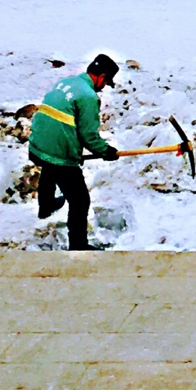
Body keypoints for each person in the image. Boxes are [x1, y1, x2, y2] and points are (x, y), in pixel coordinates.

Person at [28, 53, 122, 250]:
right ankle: (78, 245)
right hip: (58, 154)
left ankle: (46, 206)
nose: (104, 87)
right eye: (106, 82)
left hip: (37, 145)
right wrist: (106, 151)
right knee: (80, 200)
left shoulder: (67, 82)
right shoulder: (88, 96)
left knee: (48, 165)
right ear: (102, 77)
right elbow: (89, 136)